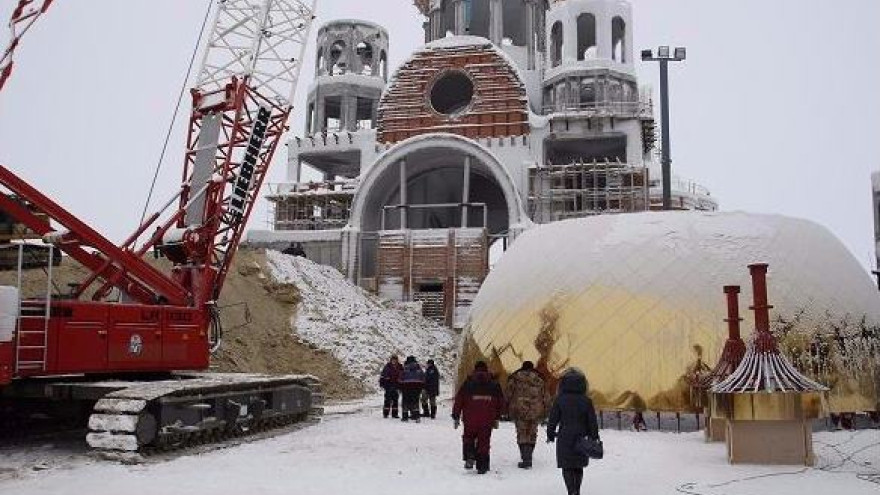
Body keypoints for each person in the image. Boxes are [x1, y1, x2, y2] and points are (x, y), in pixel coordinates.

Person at [547, 368, 600, 495]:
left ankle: (571, 491)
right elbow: (592, 421)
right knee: (578, 465)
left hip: (564, 436)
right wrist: (594, 436)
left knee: (567, 465)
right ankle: (577, 490)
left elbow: (553, 419)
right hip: (581, 437)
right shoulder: (586, 401)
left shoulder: (560, 399)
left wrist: (550, 434)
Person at [452, 361, 505, 474]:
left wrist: (456, 415)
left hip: (470, 418)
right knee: (484, 441)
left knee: (468, 437)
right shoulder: (494, 384)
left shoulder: (468, 383)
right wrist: (497, 416)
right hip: (487, 419)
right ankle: (482, 466)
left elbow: (459, 400)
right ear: (486, 370)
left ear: (475, 370)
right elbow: (501, 402)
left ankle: (470, 456)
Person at [506, 360, 547, 469]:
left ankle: (525, 457)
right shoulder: (539, 379)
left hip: (519, 409)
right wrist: (545, 410)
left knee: (521, 433)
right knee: (532, 433)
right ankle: (528, 455)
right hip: (535, 410)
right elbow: (545, 396)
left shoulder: (515, 379)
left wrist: (507, 407)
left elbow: (508, 394)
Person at [399, 356, 426, 422]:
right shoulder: (418, 368)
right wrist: (422, 387)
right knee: (415, 401)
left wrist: (400, 387)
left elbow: (400, 378)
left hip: (406, 387)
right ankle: (416, 416)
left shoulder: (405, 368)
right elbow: (423, 378)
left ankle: (405, 417)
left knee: (405, 402)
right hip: (416, 387)